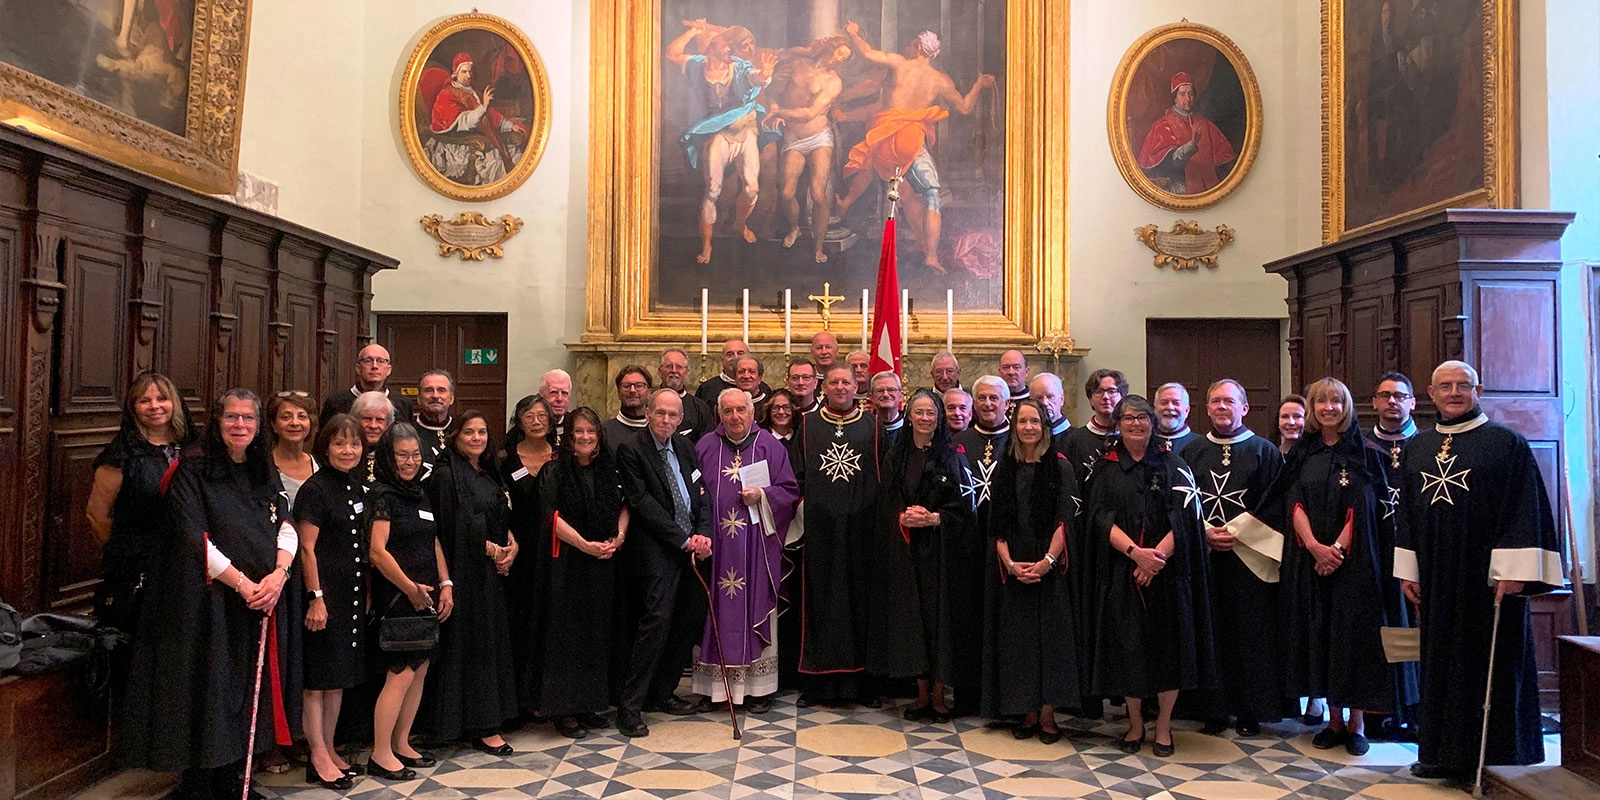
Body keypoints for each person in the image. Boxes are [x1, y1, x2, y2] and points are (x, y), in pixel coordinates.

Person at [120, 389, 299, 800]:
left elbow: (284, 521)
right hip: (208, 605)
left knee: (243, 692)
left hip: (259, 600)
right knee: (208, 692)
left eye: (248, 419)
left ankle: (233, 780)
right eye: (232, 418)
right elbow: (192, 538)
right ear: (216, 423)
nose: (241, 426)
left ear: (259, 425)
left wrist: (279, 574)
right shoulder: (193, 470)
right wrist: (242, 583)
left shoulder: (262, 467)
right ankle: (199, 786)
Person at [1397, 361, 1563, 785]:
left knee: (1487, 662)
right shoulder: (1418, 447)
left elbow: (1524, 509)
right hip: (1435, 575)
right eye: (1445, 386)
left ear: (1479, 390)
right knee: (1439, 662)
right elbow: (1408, 516)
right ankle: (1439, 752)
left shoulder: (1507, 444)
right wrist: (1408, 571)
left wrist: (1515, 572)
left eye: (1463, 385)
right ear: (1431, 394)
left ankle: (1495, 754)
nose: (1454, 392)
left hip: (1490, 580)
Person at [1259, 377, 1415, 757]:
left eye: (1335, 401)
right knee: (1320, 634)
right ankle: (1333, 720)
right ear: (1311, 408)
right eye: (1320, 402)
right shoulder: (1302, 454)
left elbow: (1365, 507)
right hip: (1308, 561)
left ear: (1346, 406)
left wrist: (1337, 551)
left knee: (1353, 637)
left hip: (1355, 564)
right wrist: (1314, 547)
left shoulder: (1366, 452)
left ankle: (1357, 723)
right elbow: (1291, 502)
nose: (1328, 407)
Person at [1083, 394, 1217, 758]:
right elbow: (1099, 519)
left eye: (1143, 418)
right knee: (1129, 650)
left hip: (1168, 575)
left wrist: (1155, 558)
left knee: (1167, 652)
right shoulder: (1106, 466)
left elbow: (1187, 516)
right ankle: (1135, 721)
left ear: (1152, 422)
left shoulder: (1174, 463)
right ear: (1118, 423)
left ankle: (1162, 726)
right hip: (1122, 573)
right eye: (1128, 418)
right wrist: (1135, 555)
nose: (1136, 424)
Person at [835, 22, 995, 272]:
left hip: (886, 136)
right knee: (931, 193)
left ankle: (887, 251)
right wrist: (978, 85)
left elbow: (866, 52)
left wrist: (853, 33)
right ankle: (931, 255)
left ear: (919, 47)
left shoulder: (899, 63)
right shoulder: (940, 80)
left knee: (890, 189)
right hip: (911, 140)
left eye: (912, 42)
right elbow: (964, 107)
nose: (908, 46)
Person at [1179, 380, 1285, 737]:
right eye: (1215, 402)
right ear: (1206, 409)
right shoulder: (1191, 452)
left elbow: (1276, 503)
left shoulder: (1265, 451)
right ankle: (1211, 708)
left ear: (1244, 408)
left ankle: (1249, 710)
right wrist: (1205, 531)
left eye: (1229, 401)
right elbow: (1181, 503)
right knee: (1210, 631)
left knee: (1250, 635)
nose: (1222, 407)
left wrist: (1237, 532)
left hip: (1250, 560)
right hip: (1205, 556)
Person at [870, 389, 975, 720]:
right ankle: (920, 693)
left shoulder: (953, 455)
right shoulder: (895, 456)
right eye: (919, 412)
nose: (925, 418)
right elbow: (885, 501)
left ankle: (940, 695)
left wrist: (934, 518)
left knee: (938, 620)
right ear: (909, 414)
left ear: (939, 418)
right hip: (906, 550)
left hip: (940, 553)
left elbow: (965, 509)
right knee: (912, 621)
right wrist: (902, 517)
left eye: (931, 412)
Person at [615, 389, 714, 737]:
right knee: (656, 621)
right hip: (656, 548)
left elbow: (701, 495)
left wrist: (703, 534)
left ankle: (663, 693)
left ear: (681, 419)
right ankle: (630, 706)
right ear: (648, 412)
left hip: (692, 545)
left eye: (673, 415)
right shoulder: (632, 448)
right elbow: (642, 503)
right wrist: (682, 539)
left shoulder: (686, 447)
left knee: (689, 618)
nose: (666, 420)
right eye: (660, 414)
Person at [693, 389, 799, 713]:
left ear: (753, 413)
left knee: (755, 607)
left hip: (756, 548)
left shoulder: (770, 445)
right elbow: (692, 492)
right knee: (713, 610)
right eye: (728, 411)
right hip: (717, 547)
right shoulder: (704, 446)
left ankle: (759, 688)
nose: (735, 417)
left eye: (741, 410)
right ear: (718, 413)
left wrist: (764, 496)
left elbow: (789, 491)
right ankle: (716, 688)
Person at [983, 399, 1080, 742]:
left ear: (1044, 426)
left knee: (1051, 641)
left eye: (1034, 421)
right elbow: (996, 525)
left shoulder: (1061, 467)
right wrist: (1010, 564)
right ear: (1014, 427)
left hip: (1049, 568)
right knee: (1019, 642)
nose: (1028, 427)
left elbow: (1064, 523)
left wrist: (1047, 562)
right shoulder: (1003, 467)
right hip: (1013, 568)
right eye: (1022, 421)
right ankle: (1026, 711)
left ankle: (1049, 715)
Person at [528, 408, 628, 739]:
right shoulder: (553, 471)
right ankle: (564, 710)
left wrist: (620, 536)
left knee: (596, 634)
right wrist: (584, 544)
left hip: (603, 561)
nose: (585, 437)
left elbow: (625, 504)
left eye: (590, 432)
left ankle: (588, 704)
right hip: (567, 563)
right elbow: (549, 516)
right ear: (568, 437)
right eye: (578, 432)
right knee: (566, 636)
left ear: (599, 435)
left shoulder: (608, 468)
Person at [424, 412, 520, 753]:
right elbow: (452, 529)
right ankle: (477, 724)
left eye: (482, 431)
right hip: (464, 573)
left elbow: (500, 513)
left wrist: (511, 546)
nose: (477, 437)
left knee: (490, 644)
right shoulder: (445, 476)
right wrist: (494, 550)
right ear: (456, 436)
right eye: (469, 432)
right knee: (471, 647)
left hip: (491, 575)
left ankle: (491, 716)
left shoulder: (488, 470)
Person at [366, 423, 453, 782]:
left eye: (415, 454)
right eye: (402, 454)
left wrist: (445, 583)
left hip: (428, 592)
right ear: (388, 455)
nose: (410, 461)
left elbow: (433, 542)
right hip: (399, 595)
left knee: (420, 670)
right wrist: (409, 587)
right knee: (399, 673)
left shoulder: (419, 492)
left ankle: (402, 742)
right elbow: (377, 551)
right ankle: (380, 752)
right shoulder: (382, 494)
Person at [794, 365, 884, 706]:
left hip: (863, 532)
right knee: (821, 603)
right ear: (823, 386)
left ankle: (864, 683)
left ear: (856, 385)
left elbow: (883, 478)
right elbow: (796, 478)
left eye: (847, 381)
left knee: (862, 603)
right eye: (834, 382)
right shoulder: (807, 425)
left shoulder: (874, 426)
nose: (841, 387)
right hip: (819, 532)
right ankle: (816, 683)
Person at [294, 415, 367, 790]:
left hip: (350, 592)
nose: (348, 450)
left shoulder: (355, 486)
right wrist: (315, 598)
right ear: (325, 447)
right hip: (324, 594)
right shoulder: (315, 489)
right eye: (340, 443)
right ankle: (316, 754)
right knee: (318, 680)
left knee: (337, 677)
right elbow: (306, 549)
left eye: (354, 444)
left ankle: (331, 748)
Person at [665, 20, 776, 264]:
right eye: (726, 46)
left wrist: (764, 76)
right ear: (711, 47)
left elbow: (755, 78)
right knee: (713, 189)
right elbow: (672, 53)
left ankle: (740, 223)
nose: (730, 50)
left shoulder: (740, 68)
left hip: (745, 130)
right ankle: (707, 245)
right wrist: (694, 31)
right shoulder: (696, 66)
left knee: (751, 189)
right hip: (718, 132)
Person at [87, 372, 191, 632]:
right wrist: (125, 549)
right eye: (144, 401)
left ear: (174, 403)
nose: (154, 406)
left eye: (162, 398)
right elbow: (96, 515)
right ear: (133, 408)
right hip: (136, 566)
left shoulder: (192, 449)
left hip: (185, 563)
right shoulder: (119, 456)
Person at [763, 36, 851, 263]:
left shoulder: (834, 81)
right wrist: (774, 109)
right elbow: (773, 93)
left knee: (818, 193)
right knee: (786, 193)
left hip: (819, 138)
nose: (838, 59)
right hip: (793, 137)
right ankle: (795, 227)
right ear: (830, 48)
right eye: (838, 53)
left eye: (844, 58)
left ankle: (818, 247)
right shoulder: (798, 63)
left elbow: (812, 112)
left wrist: (780, 112)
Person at [500, 394, 557, 713]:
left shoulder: (562, 456)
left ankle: (547, 699)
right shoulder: (504, 459)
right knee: (520, 625)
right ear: (518, 421)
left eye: (541, 415)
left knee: (551, 625)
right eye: (529, 415)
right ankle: (519, 701)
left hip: (557, 550)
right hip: (518, 554)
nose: (536, 421)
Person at [427, 51, 531, 185]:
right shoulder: (446, 95)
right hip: (459, 142)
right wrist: (483, 106)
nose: (468, 75)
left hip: (482, 136)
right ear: (455, 73)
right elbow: (465, 123)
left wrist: (510, 125)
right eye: (464, 72)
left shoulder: (472, 91)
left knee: (514, 154)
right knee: (495, 164)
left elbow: (490, 115)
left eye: (470, 72)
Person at [1136, 72, 1237, 195]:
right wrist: (1192, 144)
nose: (1188, 99)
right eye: (1182, 94)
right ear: (1175, 97)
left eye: (1190, 94)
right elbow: (1171, 163)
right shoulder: (1163, 125)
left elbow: (1226, 159)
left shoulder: (1206, 125)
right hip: (1177, 185)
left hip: (1208, 187)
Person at [320, 344, 411, 426]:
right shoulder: (336, 402)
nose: (374, 366)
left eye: (380, 361)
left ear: (389, 369)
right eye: (368, 361)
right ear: (358, 368)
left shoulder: (402, 403)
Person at [1063, 369, 1127, 484]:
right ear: (1090, 400)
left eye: (1112, 391)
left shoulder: (1130, 437)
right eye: (1099, 391)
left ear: (1122, 397)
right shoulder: (1075, 440)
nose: (1105, 397)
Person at [269, 392, 319, 508]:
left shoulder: (320, 464)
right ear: (274, 425)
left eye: (301, 416)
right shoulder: (264, 467)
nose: (294, 423)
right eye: (286, 417)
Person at [1367, 371, 1421, 471]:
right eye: (1385, 395)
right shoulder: (1363, 445)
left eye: (1399, 396)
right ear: (1375, 402)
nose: (1392, 401)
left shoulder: (1425, 443)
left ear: (1412, 403)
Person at [660, 348, 714, 441]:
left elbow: (706, 443)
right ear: (659, 371)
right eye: (669, 366)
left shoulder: (700, 408)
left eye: (679, 367)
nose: (674, 370)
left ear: (687, 373)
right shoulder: (649, 404)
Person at [698, 339, 766, 405]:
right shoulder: (707, 389)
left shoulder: (763, 389)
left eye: (740, 354)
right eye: (730, 354)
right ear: (722, 359)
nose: (735, 358)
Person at [603, 365, 653, 453]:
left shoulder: (657, 430)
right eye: (626, 386)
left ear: (649, 393)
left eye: (639, 386)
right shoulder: (605, 431)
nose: (632, 390)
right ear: (618, 393)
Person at [413, 370, 456, 473]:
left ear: (451, 398)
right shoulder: (408, 432)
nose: (435, 396)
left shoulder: (461, 430)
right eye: (428, 390)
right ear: (419, 398)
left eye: (441, 390)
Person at [352, 390, 396, 485]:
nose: (373, 426)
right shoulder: (345, 456)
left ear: (388, 424)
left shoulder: (396, 458)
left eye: (380, 420)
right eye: (367, 419)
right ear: (355, 420)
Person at [1028, 372, 1071, 451]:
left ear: (1061, 400)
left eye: (1050, 397)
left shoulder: (1075, 438)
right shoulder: (1027, 436)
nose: (1045, 403)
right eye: (1039, 398)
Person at [1154, 382, 1199, 453]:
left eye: (1176, 403)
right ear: (1155, 409)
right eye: (1164, 403)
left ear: (1187, 411)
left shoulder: (1199, 445)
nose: (1170, 407)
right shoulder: (1144, 443)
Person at [539, 369, 577, 448]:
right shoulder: (529, 427)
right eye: (554, 392)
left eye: (564, 393)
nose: (560, 399)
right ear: (540, 397)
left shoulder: (575, 424)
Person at [870, 370, 906, 445]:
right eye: (880, 391)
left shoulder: (911, 427)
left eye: (891, 390)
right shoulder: (863, 426)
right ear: (872, 397)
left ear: (901, 396)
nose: (886, 394)